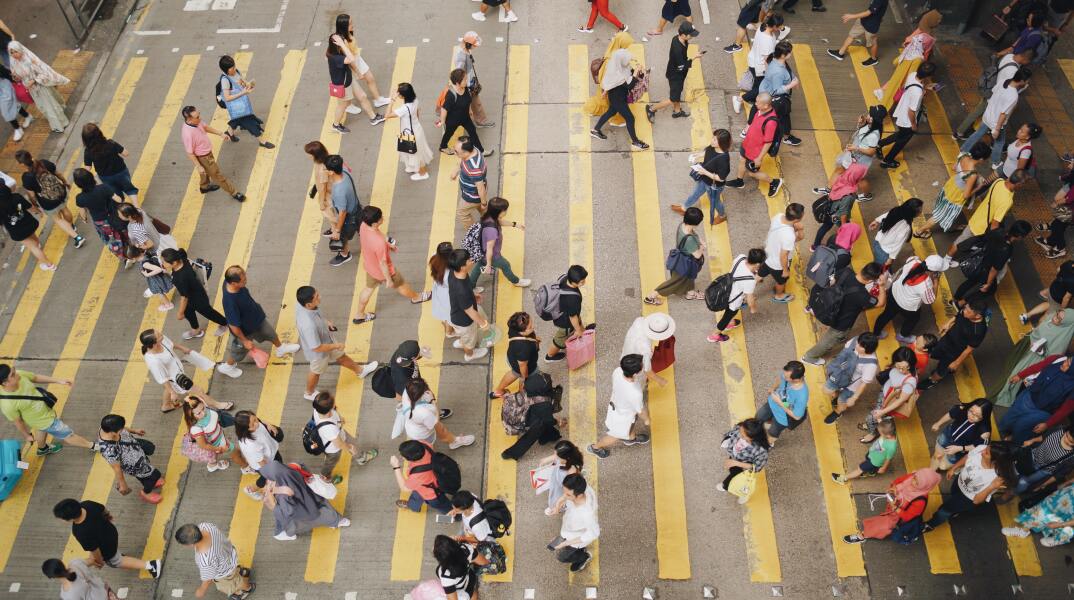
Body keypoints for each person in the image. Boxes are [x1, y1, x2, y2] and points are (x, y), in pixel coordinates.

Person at [296, 285, 378, 400]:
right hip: (319, 353)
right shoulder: (308, 325)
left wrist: (326, 323)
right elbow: (316, 347)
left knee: (341, 356)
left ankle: (360, 371)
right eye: (317, 297)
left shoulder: (302, 305)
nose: (320, 297)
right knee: (315, 371)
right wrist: (336, 345)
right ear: (308, 304)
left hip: (326, 341)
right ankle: (309, 393)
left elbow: (317, 316)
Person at [219, 265, 301, 378]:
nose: (246, 281)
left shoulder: (229, 282)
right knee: (238, 352)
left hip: (256, 319)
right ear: (233, 283)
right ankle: (227, 367)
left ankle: (281, 349)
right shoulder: (230, 302)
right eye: (243, 281)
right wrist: (244, 340)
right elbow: (233, 325)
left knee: (270, 333)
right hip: (245, 330)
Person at [352, 205, 431, 321]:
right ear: (374, 223)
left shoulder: (364, 225)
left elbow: (376, 234)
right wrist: (388, 279)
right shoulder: (378, 243)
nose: (383, 218)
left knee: (368, 289)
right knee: (400, 284)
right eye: (380, 218)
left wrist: (387, 244)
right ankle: (417, 297)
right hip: (384, 271)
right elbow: (383, 262)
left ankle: (359, 315)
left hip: (370, 266)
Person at [0, 364, 95, 456]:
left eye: (14, 370)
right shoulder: (7, 404)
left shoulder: (20, 375)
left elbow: (35, 377)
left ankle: (42, 449)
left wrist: (59, 381)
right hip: (45, 420)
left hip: (44, 410)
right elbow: (18, 422)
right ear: (5, 383)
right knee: (68, 435)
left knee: (41, 429)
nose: (16, 373)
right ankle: (93, 446)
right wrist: (27, 435)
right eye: (12, 375)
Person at [52, 498, 161, 578]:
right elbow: (103, 509)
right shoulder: (87, 504)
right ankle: (119, 555)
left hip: (106, 547)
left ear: (70, 518)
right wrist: (108, 516)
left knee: (116, 561)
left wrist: (99, 561)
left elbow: (95, 550)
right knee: (115, 553)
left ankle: (151, 565)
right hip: (111, 532)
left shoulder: (79, 531)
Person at [802, 262, 886, 365]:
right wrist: (882, 286)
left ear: (863, 268)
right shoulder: (863, 296)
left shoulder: (846, 271)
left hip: (829, 309)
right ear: (870, 281)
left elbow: (831, 282)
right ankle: (809, 357)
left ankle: (841, 338)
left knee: (838, 336)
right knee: (828, 341)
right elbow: (881, 303)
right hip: (841, 322)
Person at [923, 442, 1018, 530]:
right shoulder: (982, 448)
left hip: (967, 498)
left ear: (995, 461)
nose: (982, 450)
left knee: (944, 510)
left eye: (987, 453)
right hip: (958, 483)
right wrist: (954, 468)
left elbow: (976, 500)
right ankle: (955, 511)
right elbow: (968, 456)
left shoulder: (996, 478)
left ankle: (931, 524)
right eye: (986, 448)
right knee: (953, 498)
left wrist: (992, 487)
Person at [993, 307, 1074, 406]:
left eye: (1059, 318)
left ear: (1066, 324)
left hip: (1034, 357)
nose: (1055, 317)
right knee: (1011, 367)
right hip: (1028, 347)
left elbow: (1051, 358)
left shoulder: (1061, 340)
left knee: (1016, 372)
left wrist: (1040, 349)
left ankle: (1006, 394)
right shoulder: (1051, 318)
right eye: (1057, 313)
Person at [943, 172, 1025, 267]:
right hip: (982, 228)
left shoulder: (999, 181)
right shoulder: (1007, 201)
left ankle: (948, 258)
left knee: (963, 239)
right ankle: (946, 259)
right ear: (1019, 184)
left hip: (977, 217)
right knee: (961, 242)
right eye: (1024, 183)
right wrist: (995, 241)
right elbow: (995, 223)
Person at [842, 468, 940, 544]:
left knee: (885, 525)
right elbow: (899, 480)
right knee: (885, 519)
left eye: (917, 482)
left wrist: (895, 508)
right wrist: (894, 488)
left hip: (898, 516)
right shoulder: (914, 476)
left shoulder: (920, 501)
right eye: (914, 477)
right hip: (894, 506)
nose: (913, 480)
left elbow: (907, 516)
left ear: (925, 486)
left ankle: (863, 535)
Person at [139, 328, 227, 413]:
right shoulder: (154, 361)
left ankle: (166, 406)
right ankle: (218, 405)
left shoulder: (161, 340)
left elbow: (171, 344)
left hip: (177, 371)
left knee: (169, 388)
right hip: (176, 379)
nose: (161, 334)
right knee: (199, 391)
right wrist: (173, 393)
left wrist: (183, 348)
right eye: (158, 335)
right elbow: (163, 379)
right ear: (154, 344)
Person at [960, 66, 1033, 169]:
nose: (1027, 83)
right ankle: (995, 162)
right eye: (1027, 80)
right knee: (999, 142)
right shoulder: (1013, 95)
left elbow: (994, 92)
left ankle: (964, 150)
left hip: (988, 115)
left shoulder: (1004, 81)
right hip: (996, 122)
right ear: (1022, 81)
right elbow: (1003, 114)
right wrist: (997, 129)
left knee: (978, 134)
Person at [812, 106, 886, 203]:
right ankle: (828, 189)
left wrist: (856, 148)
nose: (867, 114)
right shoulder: (869, 125)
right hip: (852, 155)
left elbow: (871, 152)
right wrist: (861, 123)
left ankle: (867, 195)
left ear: (872, 119)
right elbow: (860, 135)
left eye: (869, 114)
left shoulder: (874, 135)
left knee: (860, 181)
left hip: (859, 162)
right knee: (839, 169)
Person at [956, 47, 1035, 139]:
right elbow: (1011, 86)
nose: (1027, 64)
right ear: (1025, 59)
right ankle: (960, 132)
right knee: (978, 114)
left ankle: (960, 131)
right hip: (995, 96)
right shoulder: (1013, 72)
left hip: (991, 89)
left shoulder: (1009, 56)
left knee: (977, 112)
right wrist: (1022, 88)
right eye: (1028, 62)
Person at [260, 460, 350, 541]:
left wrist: (273, 505)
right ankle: (338, 521)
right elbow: (303, 467)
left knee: (294, 525)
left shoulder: (282, 494)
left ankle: (288, 534)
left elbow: (287, 512)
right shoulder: (292, 468)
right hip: (314, 498)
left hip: (303, 512)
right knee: (325, 511)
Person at [916, 142, 991, 237]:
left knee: (942, 208)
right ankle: (919, 231)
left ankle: (951, 225)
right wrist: (978, 187)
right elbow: (966, 195)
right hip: (956, 194)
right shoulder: (973, 175)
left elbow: (954, 167)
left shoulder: (963, 155)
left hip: (951, 185)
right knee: (939, 215)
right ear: (981, 159)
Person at [14, 149, 84, 247]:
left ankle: (77, 237)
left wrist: (35, 205)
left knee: (58, 219)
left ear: (21, 164)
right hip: (60, 192)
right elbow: (58, 174)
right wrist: (65, 182)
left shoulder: (26, 177)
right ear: (30, 155)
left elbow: (32, 195)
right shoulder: (43, 163)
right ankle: (71, 225)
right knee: (65, 209)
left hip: (47, 201)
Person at [952, 220, 1031, 307]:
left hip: (979, 261)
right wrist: (988, 283)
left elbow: (983, 239)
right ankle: (960, 303)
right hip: (986, 270)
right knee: (988, 291)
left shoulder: (999, 231)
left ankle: (956, 298)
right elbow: (994, 269)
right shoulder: (1006, 249)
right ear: (1020, 236)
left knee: (971, 281)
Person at [918, 298, 990, 391]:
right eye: (965, 308)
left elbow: (969, 349)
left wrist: (957, 362)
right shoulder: (966, 311)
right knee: (933, 353)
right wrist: (948, 323)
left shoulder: (979, 330)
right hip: (946, 340)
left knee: (942, 369)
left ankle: (932, 380)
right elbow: (957, 315)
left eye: (968, 311)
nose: (964, 311)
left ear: (977, 316)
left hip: (954, 352)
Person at [873, 10, 942, 107]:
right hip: (914, 62)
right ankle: (885, 98)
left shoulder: (920, 29)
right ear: (932, 23)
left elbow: (907, 40)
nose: (939, 22)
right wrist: (924, 65)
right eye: (938, 21)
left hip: (906, 57)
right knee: (903, 80)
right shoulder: (929, 38)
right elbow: (926, 54)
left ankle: (881, 90)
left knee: (897, 77)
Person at [587, 354, 650, 459]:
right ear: (636, 373)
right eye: (642, 365)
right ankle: (595, 448)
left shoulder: (618, 371)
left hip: (616, 405)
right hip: (623, 416)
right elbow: (640, 410)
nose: (643, 365)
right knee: (615, 435)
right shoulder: (635, 393)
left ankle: (630, 438)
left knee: (630, 426)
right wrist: (647, 419)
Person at [1000, 354, 1074, 443]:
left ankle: (1014, 441)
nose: (1064, 362)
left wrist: (1047, 424)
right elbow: (1038, 366)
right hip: (1028, 397)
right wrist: (1020, 375)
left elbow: (1064, 411)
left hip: (1042, 412)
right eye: (1067, 360)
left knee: (1021, 427)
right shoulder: (1057, 359)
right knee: (1009, 418)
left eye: (1069, 364)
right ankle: (1003, 431)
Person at [871, 254, 944, 344]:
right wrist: (936, 282)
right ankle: (902, 335)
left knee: (886, 314)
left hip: (894, 293)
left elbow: (913, 259)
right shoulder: (926, 284)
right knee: (914, 319)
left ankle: (876, 333)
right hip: (907, 306)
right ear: (933, 271)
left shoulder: (913, 261)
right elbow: (930, 300)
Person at [877, 62, 936, 169]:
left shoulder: (912, 75)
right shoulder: (917, 93)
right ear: (928, 76)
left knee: (901, 134)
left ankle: (880, 144)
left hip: (902, 109)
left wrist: (924, 88)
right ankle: (888, 160)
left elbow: (906, 87)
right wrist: (914, 125)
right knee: (902, 140)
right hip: (907, 119)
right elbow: (911, 112)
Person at [180, 106, 246, 202]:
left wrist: (220, 133)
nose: (200, 118)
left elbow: (205, 127)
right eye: (197, 117)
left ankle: (204, 187)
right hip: (204, 157)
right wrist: (198, 166)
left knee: (204, 171)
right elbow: (190, 153)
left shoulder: (197, 122)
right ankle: (234, 193)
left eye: (199, 115)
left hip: (206, 154)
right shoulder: (188, 133)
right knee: (217, 176)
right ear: (189, 119)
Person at [172, 523, 254, 599]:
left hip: (224, 572)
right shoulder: (205, 526)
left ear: (191, 544)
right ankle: (240, 572)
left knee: (235, 583)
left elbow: (208, 580)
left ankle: (248, 588)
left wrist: (201, 590)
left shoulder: (205, 561)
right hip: (229, 554)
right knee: (234, 573)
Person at [643, 207, 707, 305]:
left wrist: (699, 240)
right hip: (685, 263)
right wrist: (702, 247)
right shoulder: (689, 241)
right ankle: (651, 296)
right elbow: (697, 255)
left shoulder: (682, 226)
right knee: (674, 282)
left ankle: (690, 293)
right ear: (695, 223)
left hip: (683, 260)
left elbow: (692, 233)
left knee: (689, 277)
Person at [161, 248, 227, 340]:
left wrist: (179, 313)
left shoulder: (180, 278)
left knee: (208, 313)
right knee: (188, 311)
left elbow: (184, 297)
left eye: (164, 262)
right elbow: (182, 251)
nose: (162, 264)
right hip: (194, 292)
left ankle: (225, 323)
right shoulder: (182, 258)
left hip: (198, 299)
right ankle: (196, 330)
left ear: (175, 262)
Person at [590, 48, 649, 150]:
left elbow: (628, 74)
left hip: (615, 97)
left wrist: (640, 72)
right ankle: (635, 142)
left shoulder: (616, 66)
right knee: (630, 118)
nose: (628, 62)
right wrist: (635, 74)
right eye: (626, 60)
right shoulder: (617, 74)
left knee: (611, 112)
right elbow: (629, 85)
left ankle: (595, 130)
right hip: (618, 99)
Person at [97, 414, 163, 504]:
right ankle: (146, 493)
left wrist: (134, 431)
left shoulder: (106, 427)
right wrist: (123, 484)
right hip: (134, 466)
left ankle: (149, 482)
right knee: (155, 475)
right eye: (121, 429)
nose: (123, 429)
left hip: (137, 453)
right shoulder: (108, 450)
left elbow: (122, 428)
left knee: (146, 476)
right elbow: (116, 468)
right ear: (113, 432)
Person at [334, 14, 391, 118]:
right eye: (350, 23)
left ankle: (377, 99)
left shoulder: (348, 33)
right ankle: (348, 105)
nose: (352, 25)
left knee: (370, 78)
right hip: (352, 63)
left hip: (357, 59)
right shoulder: (343, 40)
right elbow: (349, 60)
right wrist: (358, 72)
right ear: (343, 26)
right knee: (350, 88)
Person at [312, 392, 378, 480]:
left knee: (353, 444)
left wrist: (339, 420)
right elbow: (339, 444)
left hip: (337, 434)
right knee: (330, 462)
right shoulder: (330, 429)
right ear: (330, 408)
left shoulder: (318, 409)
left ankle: (362, 458)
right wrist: (349, 448)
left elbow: (333, 415)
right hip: (333, 449)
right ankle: (325, 477)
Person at [326, 32, 384, 131]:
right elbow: (351, 58)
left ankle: (373, 118)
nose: (345, 41)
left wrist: (341, 45)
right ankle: (336, 125)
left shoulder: (336, 53)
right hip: (343, 85)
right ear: (337, 45)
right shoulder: (336, 58)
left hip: (348, 79)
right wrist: (342, 45)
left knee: (362, 96)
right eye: (342, 41)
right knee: (342, 105)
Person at [468, 197, 530, 289]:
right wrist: (489, 264)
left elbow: (499, 222)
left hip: (481, 251)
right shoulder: (492, 231)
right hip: (492, 255)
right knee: (505, 265)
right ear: (499, 212)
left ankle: (470, 287)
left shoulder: (488, 217)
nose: (506, 211)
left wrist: (515, 224)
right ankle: (516, 281)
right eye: (505, 210)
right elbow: (489, 249)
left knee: (479, 266)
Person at [860, 346, 919, 444]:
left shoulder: (910, 383)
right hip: (886, 393)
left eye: (906, 367)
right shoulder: (896, 366)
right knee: (874, 416)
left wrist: (883, 412)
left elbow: (901, 401)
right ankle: (872, 425)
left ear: (911, 365)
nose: (901, 371)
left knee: (872, 418)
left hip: (890, 403)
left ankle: (872, 433)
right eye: (898, 366)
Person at [727, 93, 782, 196]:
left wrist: (759, 158)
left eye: (758, 102)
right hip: (747, 145)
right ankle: (739, 181)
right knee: (742, 160)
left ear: (766, 105)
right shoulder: (760, 110)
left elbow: (768, 142)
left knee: (752, 173)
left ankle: (774, 182)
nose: (755, 104)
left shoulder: (770, 122)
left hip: (755, 153)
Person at [673, 128, 731, 225]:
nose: (711, 140)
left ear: (722, 143)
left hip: (714, 186)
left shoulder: (724, 159)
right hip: (704, 180)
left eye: (714, 139)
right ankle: (684, 208)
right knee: (695, 193)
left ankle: (722, 216)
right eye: (713, 137)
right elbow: (707, 151)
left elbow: (721, 178)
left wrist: (704, 172)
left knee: (715, 202)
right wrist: (697, 155)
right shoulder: (713, 146)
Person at [7, 41, 69, 132]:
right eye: (11, 52)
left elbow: (43, 72)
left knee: (49, 107)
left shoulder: (29, 59)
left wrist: (33, 81)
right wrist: (16, 77)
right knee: (46, 105)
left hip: (40, 86)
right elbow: (19, 78)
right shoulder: (13, 63)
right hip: (32, 90)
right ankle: (61, 112)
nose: (14, 55)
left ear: (20, 50)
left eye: (16, 51)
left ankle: (60, 125)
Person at [398, 377, 474, 450]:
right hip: (424, 434)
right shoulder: (424, 413)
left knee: (424, 446)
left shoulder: (407, 392)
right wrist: (432, 401)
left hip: (413, 430)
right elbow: (436, 421)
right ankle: (454, 442)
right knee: (439, 434)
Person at [707, 249, 765, 343]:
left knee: (729, 313)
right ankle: (714, 335)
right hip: (733, 300)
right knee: (727, 316)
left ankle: (730, 323)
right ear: (757, 264)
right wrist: (753, 308)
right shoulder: (750, 280)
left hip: (725, 290)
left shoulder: (741, 258)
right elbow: (749, 298)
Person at [731, 14, 785, 115]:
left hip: (753, 60)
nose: (780, 28)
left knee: (757, 84)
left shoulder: (762, 26)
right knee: (761, 88)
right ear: (774, 26)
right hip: (760, 67)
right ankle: (739, 99)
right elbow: (766, 60)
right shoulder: (767, 41)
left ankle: (753, 100)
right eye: (779, 26)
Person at [645, 22, 700, 121]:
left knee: (677, 93)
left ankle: (677, 111)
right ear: (683, 35)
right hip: (676, 76)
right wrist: (694, 57)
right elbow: (682, 66)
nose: (692, 36)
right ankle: (651, 109)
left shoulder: (676, 38)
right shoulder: (678, 49)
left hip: (675, 72)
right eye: (690, 35)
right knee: (673, 98)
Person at [217, 55, 273, 149]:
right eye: (232, 68)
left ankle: (230, 132)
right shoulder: (225, 80)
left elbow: (241, 81)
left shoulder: (236, 72)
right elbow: (227, 98)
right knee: (249, 122)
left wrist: (247, 84)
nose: (234, 69)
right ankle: (262, 141)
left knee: (237, 119)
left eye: (234, 66)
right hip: (237, 106)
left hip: (242, 104)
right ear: (226, 70)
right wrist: (243, 93)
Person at [822, 333, 880, 424]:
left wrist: (854, 398)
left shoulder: (870, 364)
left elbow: (864, 383)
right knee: (826, 390)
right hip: (839, 375)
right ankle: (836, 394)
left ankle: (837, 412)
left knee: (842, 401)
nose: (857, 345)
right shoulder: (855, 340)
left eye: (861, 346)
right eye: (858, 342)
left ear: (869, 349)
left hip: (852, 386)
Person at [548, 473, 598, 573]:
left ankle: (584, 557)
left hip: (576, 539)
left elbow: (593, 533)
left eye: (568, 495)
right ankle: (580, 552)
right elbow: (566, 495)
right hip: (569, 530)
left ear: (579, 495)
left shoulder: (587, 514)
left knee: (561, 558)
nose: (564, 495)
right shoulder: (582, 487)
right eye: (564, 491)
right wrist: (558, 506)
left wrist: (565, 543)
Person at [72, 168, 126, 260]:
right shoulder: (104, 188)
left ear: (78, 184)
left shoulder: (80, 198)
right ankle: (130, 248)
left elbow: (83, 212)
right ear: (91, 178)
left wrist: (84, 219)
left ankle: (122, 256)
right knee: (122, 231)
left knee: (110, 239)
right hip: (114, 215)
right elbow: (119, 200)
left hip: (100, 221)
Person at [583, 32, 633, 132]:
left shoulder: (613, 50)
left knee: (606, 102)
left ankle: (593, 109)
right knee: (614, 104)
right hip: (611, 87)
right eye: (626, 44)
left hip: (606, 85)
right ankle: (615, 120)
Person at [447, 249, 491, 361]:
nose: (472, 261)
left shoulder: (454, 273)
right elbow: (470, 311)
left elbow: (463, 294)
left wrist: (473, 295)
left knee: (466, 336)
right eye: (469, 260)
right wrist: (483, 324)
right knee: (470, 341)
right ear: (462, 267)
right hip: (464, 322)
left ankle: (463, 341)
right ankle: (469, 354)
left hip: (457, 313)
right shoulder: (461, 290)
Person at [183, 395, 245, 473]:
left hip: (219, 437)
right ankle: (246, 467)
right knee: (234, 452)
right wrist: (220, 449)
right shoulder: (196, 428)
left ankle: (212, 465)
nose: (204, 413)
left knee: (213, 457)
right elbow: (204, 445)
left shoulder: (205, 409)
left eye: (203, 408)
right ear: (190, 415)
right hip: (216, 444)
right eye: (198, 413)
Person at [757, 41, 802, 147]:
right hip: (775, 98)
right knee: (783, 116)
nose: (791, 54)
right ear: (783, 55)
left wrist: (793, 77)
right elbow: (776, 90)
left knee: (779, 116)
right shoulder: (778, 72)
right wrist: (792, 84)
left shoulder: (775, 59)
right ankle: (785, 136)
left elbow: (786, 70)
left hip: (766, 89)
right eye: (789, 52)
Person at [812, 163, 868, 249]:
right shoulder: (849, 195)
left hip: (830, 207)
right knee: (845, 233)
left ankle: (815, 246)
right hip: (836, 214)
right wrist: (844, 226)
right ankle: (842, 247)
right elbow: (843, 213)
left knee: (825, 227)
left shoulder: (842, 177)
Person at [1003, 479, 1074, 547]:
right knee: (1043, 508)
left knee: (1069, 527)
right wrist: (1068, 483)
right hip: (1068, 494)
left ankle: (1058, 539)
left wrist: (1060, 524)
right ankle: (1023, 530)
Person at [0, 184, 55, 270]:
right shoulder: (16, 197)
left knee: (33, 248)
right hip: (29, 223)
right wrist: (39, 212)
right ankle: (38, 245)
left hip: (17, 231)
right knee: (32, 235)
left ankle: (49, 265)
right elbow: (30, 207)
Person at [385, 82, 433, 180]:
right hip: (416, 129)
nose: (397, 93)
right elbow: (418, 111)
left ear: (403, 96)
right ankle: (412, 167)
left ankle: (423, 174)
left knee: (416, 154)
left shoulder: (404, 108)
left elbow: (387, 115)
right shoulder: (415, 100)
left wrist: (392, 99)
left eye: (399, 92)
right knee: (412, 152)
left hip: (411, 133)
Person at [391, 440, 454, 513]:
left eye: (403, 456)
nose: (402, 457)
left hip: (433, 493)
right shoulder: (425, 445)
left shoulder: (417, 476)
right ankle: (412, 506)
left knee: (443, 505)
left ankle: (455, 515)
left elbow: (404, 488)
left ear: (412, 459)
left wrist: (396, 467)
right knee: (417, 494)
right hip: (437, 479)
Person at [754, 360, 809, 445]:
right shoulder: (786, 375)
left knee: (773, 432)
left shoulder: (802, 395)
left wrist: (780, 403)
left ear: (796, 379)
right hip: (772, 403)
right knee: (759, 417)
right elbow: (780, 379)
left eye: (787, 377)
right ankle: (766, 424)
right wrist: (773, 388)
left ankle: (768, 444)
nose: (784, 376)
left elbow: (797, 417)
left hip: (782, 417)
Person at [81, 123, 138, 203]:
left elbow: (88, 168)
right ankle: (137, 207)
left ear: (85, 139)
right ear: (99, 133)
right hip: (121, 171)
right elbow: (126, 153)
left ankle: (124, 209)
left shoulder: (88, 152)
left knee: (116, 195)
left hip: (105, 177)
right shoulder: (110, 143)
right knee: (130, 189)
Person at [233, 410, 283, 502]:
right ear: (245, 429)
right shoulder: (251, 444)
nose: (257, 423)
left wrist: (268, 425)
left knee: (279, 465)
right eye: (253, 424)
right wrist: (271, 474)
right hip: (265, 463)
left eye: (255, 419)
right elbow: (263, 464)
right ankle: (251, 489)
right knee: (265, 478)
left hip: (271, 454)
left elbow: (260, 422)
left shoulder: (254, 423)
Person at [758, 202, 803, 304]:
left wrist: (795, 227)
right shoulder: (789, 235)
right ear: (797, 219)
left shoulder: (778, 216)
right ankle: (779, 296)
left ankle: (746, 290)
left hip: (768, 255)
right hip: (777, 265)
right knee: (782, 281)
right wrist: (785, 270)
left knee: (760, 274)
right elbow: (784, 255)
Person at [718, 418, 770, 505]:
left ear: (753, 438)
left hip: (743, 467)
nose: (739, 434)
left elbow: (756, 467)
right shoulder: (741, 427)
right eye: (740, 430)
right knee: (733, 472)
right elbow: (732, 432)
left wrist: (736, 463)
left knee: (742, 482)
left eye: (743, 436)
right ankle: (730, 486)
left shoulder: (761, 451)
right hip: (734, 459)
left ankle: (735, 490)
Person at [930, 398, 992, 471]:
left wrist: (959, 448)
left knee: (943, 466)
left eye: (977, 416)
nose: (971, 416)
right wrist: (938, 423)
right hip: (947, 436)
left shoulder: (985, 432)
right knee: (936, 456)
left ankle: (955, 468)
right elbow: (950, 414)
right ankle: (930, 472)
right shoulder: (962, 408)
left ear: (984, 417)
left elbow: (978, 447)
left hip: (959, 450)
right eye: (971, 411)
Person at [544, 265, 589, 362]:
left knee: (577, 320)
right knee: (560, 338)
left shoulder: (564, 277)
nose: (584, 283)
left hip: (561, 309)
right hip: (565, 321)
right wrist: (578, 331)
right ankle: (550, 356)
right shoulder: (573, 299)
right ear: (573, 282)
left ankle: (584, 332)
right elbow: (573, 317)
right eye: (582, 282)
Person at [451, 32, 496, 128]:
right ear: (468, 44)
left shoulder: (466, 50)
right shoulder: (461, 56)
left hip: (469, 82)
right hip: (467, 85)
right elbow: (458, 73)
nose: (475, 47)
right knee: (470, 104)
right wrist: (464, 85)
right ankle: (480, 120)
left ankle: (479, 120)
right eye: (474, 45)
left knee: (472, 103)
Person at [833, 418, 898, 484]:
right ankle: (872, 472)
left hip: (875, 461)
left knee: (859, 469)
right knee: (867, 458)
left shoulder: (892, 446)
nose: (879, 434)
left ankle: (844, 478)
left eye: (881, 433)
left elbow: (888, 458)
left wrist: (884, 468)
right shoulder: (887, 430)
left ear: (888, 436)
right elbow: (882, 424)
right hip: (872, 453)